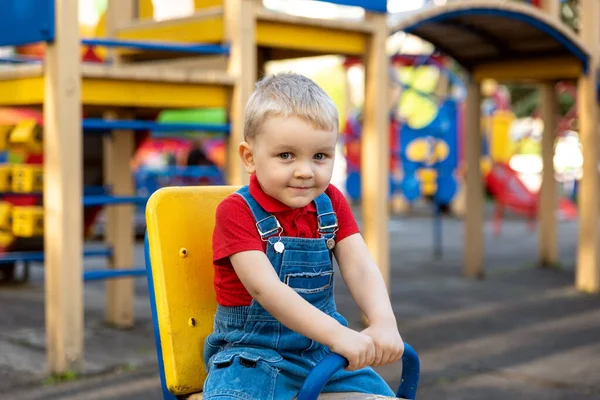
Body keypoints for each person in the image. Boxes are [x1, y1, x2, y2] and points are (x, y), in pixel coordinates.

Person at [204, 72, 403, 400]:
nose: (305, 170)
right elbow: (265, 289)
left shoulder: (330, 204)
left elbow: (361, 267)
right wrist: (338, 334)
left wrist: (383, 320)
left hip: (321, 353)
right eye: (286, 155)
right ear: (250, 158)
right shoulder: (236, 212)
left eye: (320, 156)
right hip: (252, 357)